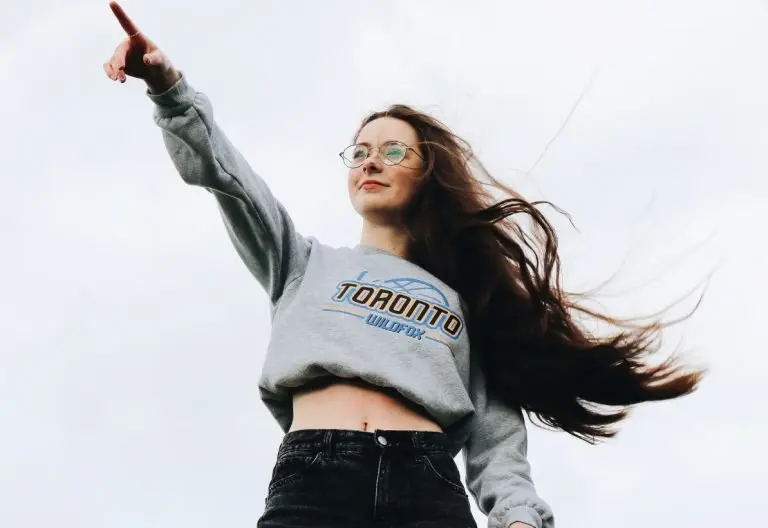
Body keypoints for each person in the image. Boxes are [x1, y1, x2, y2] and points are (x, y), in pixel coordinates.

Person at [102, 2, 705, 527]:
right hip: (315, 480)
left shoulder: (466, 300)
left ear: (428, 170)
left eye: (393, 151)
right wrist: (169, 88)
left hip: (428, 487)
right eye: (359, 152)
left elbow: (497, 435)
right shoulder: (302, 261)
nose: (370, 162)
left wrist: (517, 515)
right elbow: (230, 179)